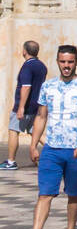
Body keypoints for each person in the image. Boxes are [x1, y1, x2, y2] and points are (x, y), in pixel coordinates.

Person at [19, 45, 77, 229]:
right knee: (45, 193)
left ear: (76, 62)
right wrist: (34, 144)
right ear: (57, 61)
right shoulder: (48, 86)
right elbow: (41, 117)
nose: (66, 66)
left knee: (73, 193)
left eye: (70, 62)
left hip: (76, 150)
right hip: (52, 149)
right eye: (63, 62)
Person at [4, 40, 47, 170]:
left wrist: (21, 107)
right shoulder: (42, 66)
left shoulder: (27, 66)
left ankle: (11, 162)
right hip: (37, 106)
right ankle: (54, 156)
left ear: (24, 51)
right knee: (36, 132)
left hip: (25, 107)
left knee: (13, 130)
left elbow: (26, 87)